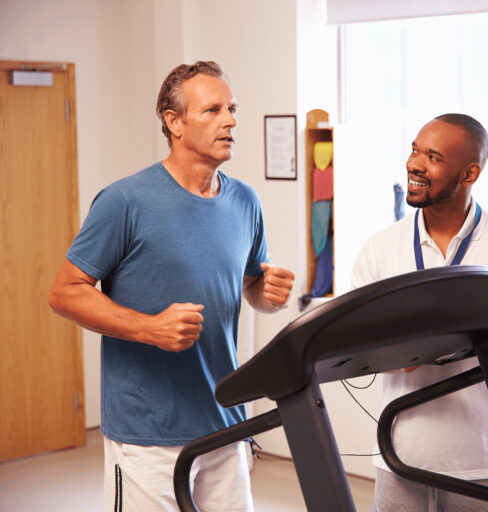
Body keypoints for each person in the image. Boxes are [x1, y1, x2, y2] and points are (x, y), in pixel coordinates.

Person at [48, 61, 295, 512]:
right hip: (148, 433)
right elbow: (65, 291)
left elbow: (251, 285)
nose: (231, 120)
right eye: (213, 109)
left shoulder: (244, 200)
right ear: (174, 122)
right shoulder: (125, 201)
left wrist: (268, 294)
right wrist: (148, 328)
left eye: (233, 108)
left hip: (224, 421)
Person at [351, 113, 488, 512]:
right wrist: (402, 355)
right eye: (414, 150)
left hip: (487, 465)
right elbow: (354, 349)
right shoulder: (380, 248)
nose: (414, 164)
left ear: (469, 173)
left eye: (432, 157)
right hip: (399, 461)